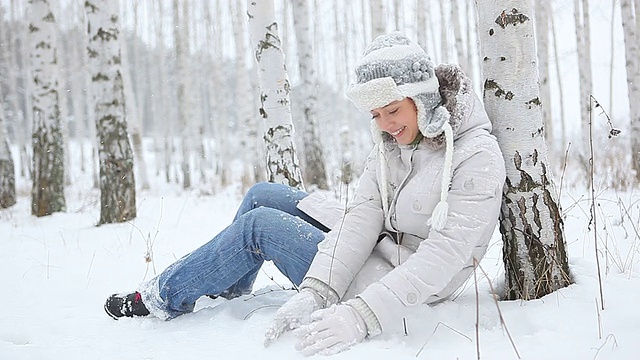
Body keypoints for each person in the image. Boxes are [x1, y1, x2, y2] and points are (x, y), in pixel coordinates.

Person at [104, 32, 506, 356]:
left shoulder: (477, 157)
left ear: (421, 97)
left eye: (392, 111)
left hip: (399, 284)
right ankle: (224, 285)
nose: (385, 125)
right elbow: (362, 217)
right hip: (376, 248)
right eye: (376, 116)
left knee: (258, 227)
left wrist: (360, 314)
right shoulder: (395, 143)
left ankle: (160, 297)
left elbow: (442, 258)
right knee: (263, 194)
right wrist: (316, 290)